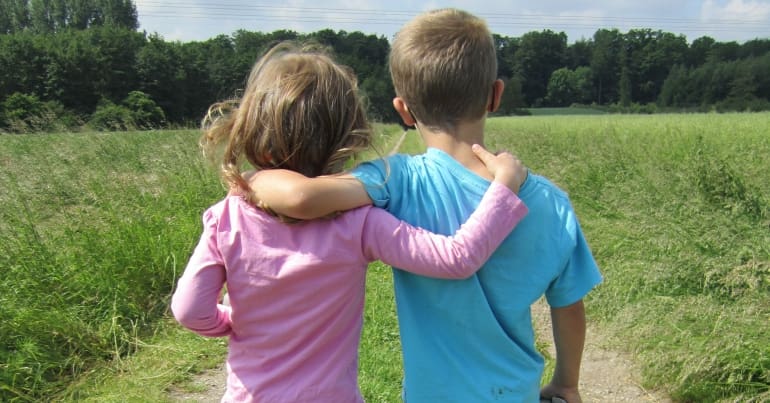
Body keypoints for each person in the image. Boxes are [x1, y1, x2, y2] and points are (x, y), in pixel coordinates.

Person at [247, 9, 603, 402]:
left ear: (403, 110)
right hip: (514, 393)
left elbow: (301, 199)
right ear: (495, 95)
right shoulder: (552, 203)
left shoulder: (394, 182)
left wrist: (251, 179)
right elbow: (568, 306)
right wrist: (566, 382)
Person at [170, 41, 529, 403]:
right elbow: (457, 258)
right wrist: (505, 187)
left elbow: (189, 310)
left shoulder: (227, 217)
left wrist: (230, 322)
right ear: (347, 135)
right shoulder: (359, 223)